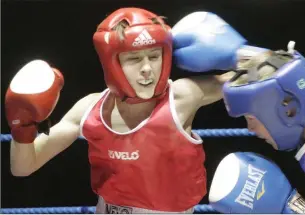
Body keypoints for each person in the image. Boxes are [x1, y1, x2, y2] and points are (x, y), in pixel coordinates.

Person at [5, 8, 246, 213]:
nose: (147, 69)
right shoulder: (89, 110)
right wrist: (21, 127)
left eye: (154, 56)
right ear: (112, 63)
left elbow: (247, 77)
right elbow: (24, 167)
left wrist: (247, 54)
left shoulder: (181, 97)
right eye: (134, 59)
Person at [172, 11, 305, 214]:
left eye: (251, 117)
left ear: (285, 110)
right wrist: (236, 53)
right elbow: (287, 68)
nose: (250, 128)